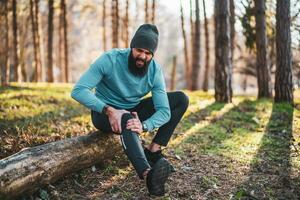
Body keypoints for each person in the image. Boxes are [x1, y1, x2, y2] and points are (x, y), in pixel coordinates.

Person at [71, 24, 189, 196]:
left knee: (180, 99)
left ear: (152, 55)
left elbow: (164, 111)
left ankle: (153, 152)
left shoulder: (154, 71)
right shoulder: (110, 59)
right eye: (139, 50)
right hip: (104, 112)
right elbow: (78, 90)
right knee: (126, 117)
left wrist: (145, 125)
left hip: (132, 110)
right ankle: (147, 174)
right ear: (131, 47)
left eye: (148, 53)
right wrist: (109, 110)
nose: (142, 56)